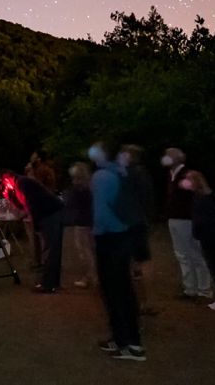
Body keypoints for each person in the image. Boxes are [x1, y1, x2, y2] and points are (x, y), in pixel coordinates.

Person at [89, 142, 145, 362]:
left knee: (113, 291)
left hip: (110, 238)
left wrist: (96, 235)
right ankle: (125, 338)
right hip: (125, 235)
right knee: (123, 288)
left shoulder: (102, 176)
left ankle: (128, 344)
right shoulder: (119, 172)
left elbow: (101, 213)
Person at [162, 147, 212, 299]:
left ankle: (203, 290)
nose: (165, 158)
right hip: (175, 219)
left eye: (168, 156)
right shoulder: (172, 175)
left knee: (195, 254)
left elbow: (202, 193)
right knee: (182, 255)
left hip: (187, 219)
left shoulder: (187, 174)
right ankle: (190, 288)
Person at [184, 170, 215, 311]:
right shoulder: (206, 196)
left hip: (209, 237)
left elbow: (203, 220)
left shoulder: (202, 199)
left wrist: (198, 232)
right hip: (211, 236)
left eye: (189, 180)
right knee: (214, 268)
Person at [9, 166, 63, 293]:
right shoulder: (21, 183)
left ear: (8, 177)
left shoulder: (22, 182)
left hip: (50, 214)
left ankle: (47, 284)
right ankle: (53, 283)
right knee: (53, 249)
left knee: (50, 249)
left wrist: (37, 225)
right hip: (52, 212)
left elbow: (31, 204)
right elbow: (25, 205)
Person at [119, 145, 156, 314]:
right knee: (138, 262)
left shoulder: (130, 174)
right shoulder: (140, 174)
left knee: (135, 263)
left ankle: (141, 301)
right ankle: (144, 301)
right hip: (137, 222)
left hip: (130, 224)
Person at [26, 152, 63, 292]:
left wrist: (30, 173)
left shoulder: (42, 170)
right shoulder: (46, 170)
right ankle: (52, 281)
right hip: (49, 208)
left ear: (38, 158)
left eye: (34, 156)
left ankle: (47, 282)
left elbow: (36, 187)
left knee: (47, 246)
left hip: (46, 210)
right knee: (51, 246)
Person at [63, 162, 96, 288]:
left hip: (82, 223)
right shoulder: (90, 187)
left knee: (85, 252)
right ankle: (91, 276)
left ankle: (91, 277)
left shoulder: (79, 189)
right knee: (91, 251)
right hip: (90, 221)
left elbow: (71, 204)